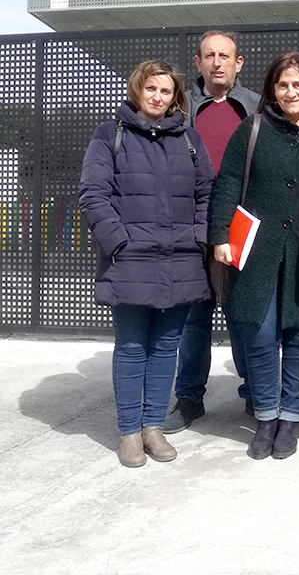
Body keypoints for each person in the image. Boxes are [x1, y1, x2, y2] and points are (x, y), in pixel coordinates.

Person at [79, 60, 214, 467]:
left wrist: (199, 238)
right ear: (138, 90)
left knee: (166, 348)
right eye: (151, 89)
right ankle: (129, 434)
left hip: (181, 260)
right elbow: (92, 195)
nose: (158, 97)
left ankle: (153, 427)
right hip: (130, 261)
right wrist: (119, 243)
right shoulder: (110, 136)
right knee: (133, 347)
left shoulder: (189, 139)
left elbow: (207, 193)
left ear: (176, 97)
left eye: (166, 91)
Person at [208, 52, 299, 460]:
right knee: (258, 336)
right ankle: (265, 416)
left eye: (298, 84)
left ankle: (290, 419)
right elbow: (226, 182)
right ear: (272, 91)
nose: (291, 91)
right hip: (256, 252)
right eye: (283, 85)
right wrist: (220, 235)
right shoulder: (253, 128)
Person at [165, 30, 260, 433]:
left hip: (241, 226)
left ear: (238, 63)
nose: (217, 62)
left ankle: (255, 393)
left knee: (243, 315)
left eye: (225, 56)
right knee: (193, 317)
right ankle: (189, 397)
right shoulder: (179, 107)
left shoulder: (256, 105)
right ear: (198, 62)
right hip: (192, 225)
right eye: (210, 55)